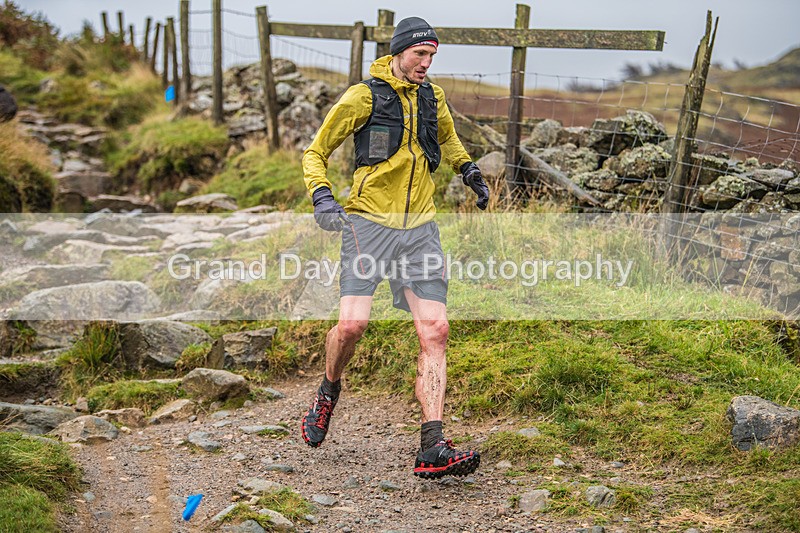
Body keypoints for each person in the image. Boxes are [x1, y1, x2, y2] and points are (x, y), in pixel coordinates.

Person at [300, 16, 489, 479]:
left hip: (419, 229)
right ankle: (329, 389)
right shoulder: (364, 95)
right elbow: (315, 151)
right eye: (420, 55)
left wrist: (469, 171)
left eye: (433, 56)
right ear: (400, 51)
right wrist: (322, 196)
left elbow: (447, 137)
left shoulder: (433, 97)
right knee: (352, 325)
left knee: (436, 330)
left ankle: (432, 444)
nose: (426, 64)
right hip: (368, 225)